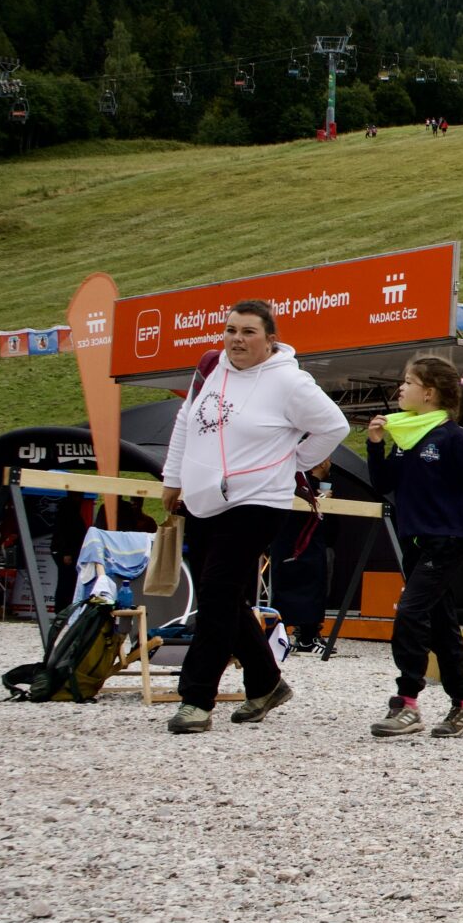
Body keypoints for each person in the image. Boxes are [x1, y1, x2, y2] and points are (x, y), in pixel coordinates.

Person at [159, 299, 350, 735]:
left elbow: (334, 426)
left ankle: (196, 699)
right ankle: (266, 683)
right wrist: (172, 478)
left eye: (248, 332)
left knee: (215, 593)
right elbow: (186, 422)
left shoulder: (289, 382)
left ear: (270, 340)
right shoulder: (210, 368)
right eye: (231, 330)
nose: (237, 340)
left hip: (259, 501)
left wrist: (294, 463)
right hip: (205, 498)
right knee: (224, 597)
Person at [364, 354, 463, 739]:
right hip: (415, 541)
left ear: (429, 393)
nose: (400, 388)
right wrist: (375, 446)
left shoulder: (454, 438)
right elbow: (383, 484)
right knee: (441, 624)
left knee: (411, 612)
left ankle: (406, 703)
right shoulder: (405, 436)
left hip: (447, 541)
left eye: (408, 382)